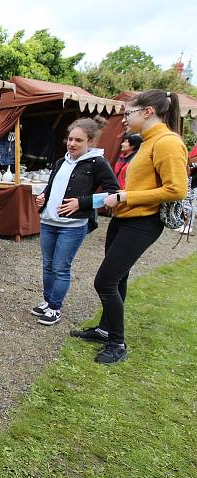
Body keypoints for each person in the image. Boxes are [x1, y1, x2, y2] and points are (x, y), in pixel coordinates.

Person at [72, 90, 187, 364]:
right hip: (125, 218)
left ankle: (117, 343)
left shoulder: (168, 142)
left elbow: (176, 189)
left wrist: (125, 196)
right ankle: (104, 329)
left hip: (142, 222)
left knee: (105, 281)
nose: (124, 119)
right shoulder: (147, 141)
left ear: (147, 111)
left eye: (128, 113)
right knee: (118, 278)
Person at [31, 118, 119, 326]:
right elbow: (52, 186)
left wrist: (83, 203)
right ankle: (47, 300)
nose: (72, 144)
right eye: (70, 139)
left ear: (91, 141)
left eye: (78, 140)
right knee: (48, 265)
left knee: (61, 267)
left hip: (72, 227)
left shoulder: (98, 163)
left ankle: (55, 307)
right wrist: (43, 196)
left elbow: (113, 192)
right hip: (49, 222)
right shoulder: (62, 161)